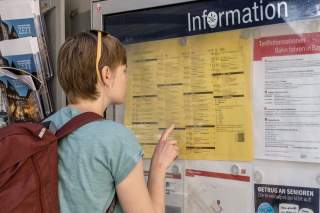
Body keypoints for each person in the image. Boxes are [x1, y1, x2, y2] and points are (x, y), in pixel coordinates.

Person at [46, 31, 179, 213]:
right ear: (107, 75)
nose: (126, 78)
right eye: (124, 70)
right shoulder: (117, 139)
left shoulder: (45, 128)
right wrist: (158, 166)